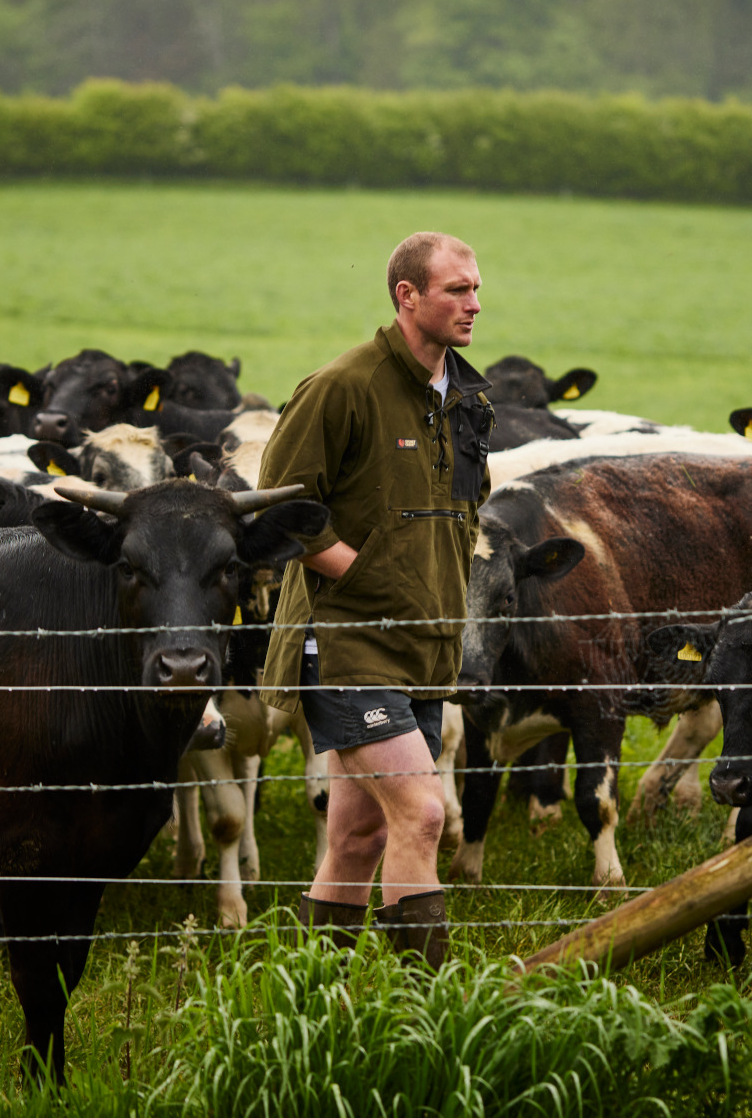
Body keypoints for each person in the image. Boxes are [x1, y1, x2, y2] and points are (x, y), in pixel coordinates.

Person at [256, 231, 495, 968]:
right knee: (423, 815)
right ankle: (429, 1010)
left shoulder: (467, 396)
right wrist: (358, 571)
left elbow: (464, 507)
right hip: (350, 639)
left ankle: (312, 998)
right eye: (457, 290)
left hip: (424, 645)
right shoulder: (342, 386)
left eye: (476, 289)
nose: (474, 304)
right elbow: (277, 506)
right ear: (407, 296)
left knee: (357, 835)